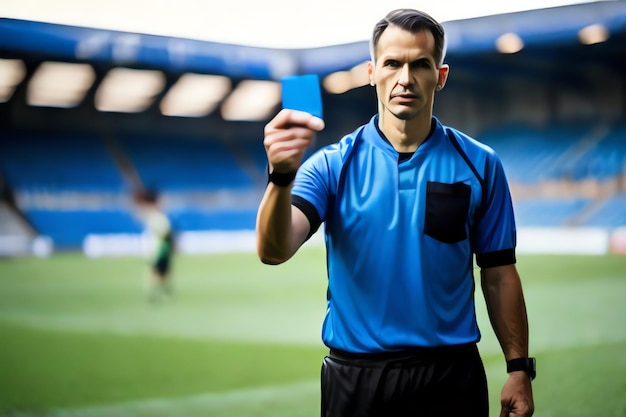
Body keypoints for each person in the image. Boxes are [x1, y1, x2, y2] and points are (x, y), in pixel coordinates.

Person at [256, 8, 534, 417]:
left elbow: (499, 273)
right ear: (371, 72)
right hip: (355, 377)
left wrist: (518, 368)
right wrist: (280, 179)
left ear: (440, 75)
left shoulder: (481, 164)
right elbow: (274, 250)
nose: (405, 78)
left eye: (420, 64)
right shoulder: (332, 165)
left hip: (451, 375)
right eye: (392, 63)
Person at [134, 188, 174, 303]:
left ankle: (160, 291)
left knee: (162, 272)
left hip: (161, 249)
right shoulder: (157, 217)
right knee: (156, 271)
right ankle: (154, 292)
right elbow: (162, 233)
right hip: (158, 249)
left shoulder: (157, 216)